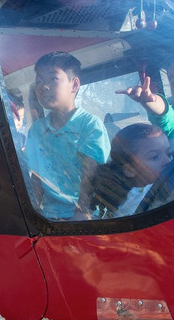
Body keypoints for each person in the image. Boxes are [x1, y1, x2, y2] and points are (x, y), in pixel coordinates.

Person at [24, 51, 110, 219]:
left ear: (74, 85)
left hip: (86, 216)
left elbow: (91, 176)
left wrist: (82, 214)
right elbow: (36, 178)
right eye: (39, 81)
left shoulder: (90, 125)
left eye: (53, 78)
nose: (43, 86)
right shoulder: (36, 131)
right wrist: (32, 212)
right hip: (49, 217)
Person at [85, 124, 172, 217]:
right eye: (154, 157)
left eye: (169, 153)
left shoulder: (122, 200)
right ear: (129, 170)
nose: (168, 161)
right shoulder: (143, 198)